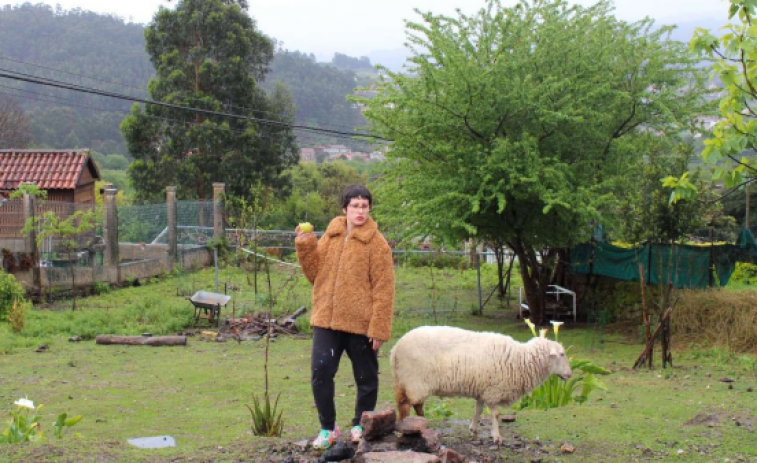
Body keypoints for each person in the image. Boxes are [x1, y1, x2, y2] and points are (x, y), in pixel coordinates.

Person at [295, 184, 395, 450]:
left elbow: (384, 289)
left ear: (369, 208)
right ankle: (327, 428)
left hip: (361, 324)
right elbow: (314, 274)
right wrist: (306, 246)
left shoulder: (378, 244)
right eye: (355, 206)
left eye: (364, 206)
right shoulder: (330, 236)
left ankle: (359, 426)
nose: (360, 211)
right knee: (320, 372)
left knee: (366, 377)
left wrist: (379, 327)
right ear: (345, 209)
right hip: (325, 320)